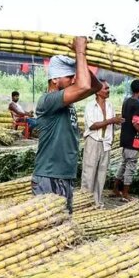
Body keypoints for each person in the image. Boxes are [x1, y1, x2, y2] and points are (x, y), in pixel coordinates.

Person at [32, 38, 100, 213]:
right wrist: (80, 52)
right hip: (49, 176)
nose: (72, 81)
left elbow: (95, 87)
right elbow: (84, 85)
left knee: (63, 227)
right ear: (54, 79)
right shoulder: (48, 100)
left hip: (64, 175)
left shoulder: (66, 102)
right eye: (69, 77)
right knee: (49, 230)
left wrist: (80, 59)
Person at [81, 81, 121, 208]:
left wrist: (112, 139)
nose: (108, 90)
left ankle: (97, 202)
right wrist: (111, 120)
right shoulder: (90, 106)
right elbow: (92, 125)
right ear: (98, 91)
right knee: (89, 172)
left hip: (106, 143)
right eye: (106, 88)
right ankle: (85, 202)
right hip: (93, 141)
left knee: (101, 174)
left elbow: (112, 126)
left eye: (109, 88)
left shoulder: (110, 106)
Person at [116, 79, 139, 201]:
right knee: (130, 166)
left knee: (123, 163)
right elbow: (136, 123)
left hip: (124, 137)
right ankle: (125, 193)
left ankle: (115, 188)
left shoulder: (126, 101)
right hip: (133, 139)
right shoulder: (137, 104)